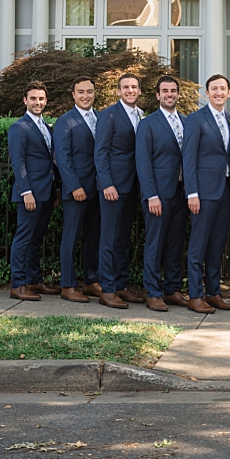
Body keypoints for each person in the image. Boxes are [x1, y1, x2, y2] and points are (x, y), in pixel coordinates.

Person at [183, 74, 230, 314]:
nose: (218, 92)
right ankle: (195, 295)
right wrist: (192, 193)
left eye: (222, 89)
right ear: (207, 93)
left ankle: (214, 293)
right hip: (203, 192)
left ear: (228, 93)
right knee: (198, 246)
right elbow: (189, 158)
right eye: (214, 89)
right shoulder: (196, 120)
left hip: (227, 192)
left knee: (218, 246)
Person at [134, 76, 189, 311]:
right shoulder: (148, 124)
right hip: (158, 193)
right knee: (155, 244)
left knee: (176, 243)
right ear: (157, 95)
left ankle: (172, 288)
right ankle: (153, 292)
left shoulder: (188, 121)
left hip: (182, 193)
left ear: (178, 94)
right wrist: (151, 195)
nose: (170, 94)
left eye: (173, 90)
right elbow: (143, 162)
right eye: (165, 91)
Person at [94, 72, 147, 308]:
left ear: (139, 90)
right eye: (125, 87)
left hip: (133, 185)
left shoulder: (142, 116)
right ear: (118, 91)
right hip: (113, 187)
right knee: (109, 238)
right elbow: (101, 152)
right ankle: (107, 289)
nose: (130, 90)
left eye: (134, 87)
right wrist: (107, 183)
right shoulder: (109, 115)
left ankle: (121, 285)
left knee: (124, 237)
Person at [52, 77, 102, 303]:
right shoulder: (65, 121)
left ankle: (91, 281)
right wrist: (74, 187)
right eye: (80, 92)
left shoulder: (100, 118)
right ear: (73, 95)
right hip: (76, 191)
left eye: (89, 91)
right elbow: (62, 158)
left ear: (94, 93)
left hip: (97, 190)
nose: (85, 96)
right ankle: (68, 285)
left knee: (94, 237)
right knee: (70, 239)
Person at [8, 81, 56, 302]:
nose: (38, 102)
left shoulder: (46, 126)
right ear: (25, 100)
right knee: (24, 238)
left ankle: (34, 279)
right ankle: (18, 285)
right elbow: (18, 163)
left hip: (45, 193)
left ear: (45, 101)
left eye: (41, 99)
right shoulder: (19, 127)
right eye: (33, 98)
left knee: (36, 239)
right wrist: (25, 192)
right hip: (29, 194)